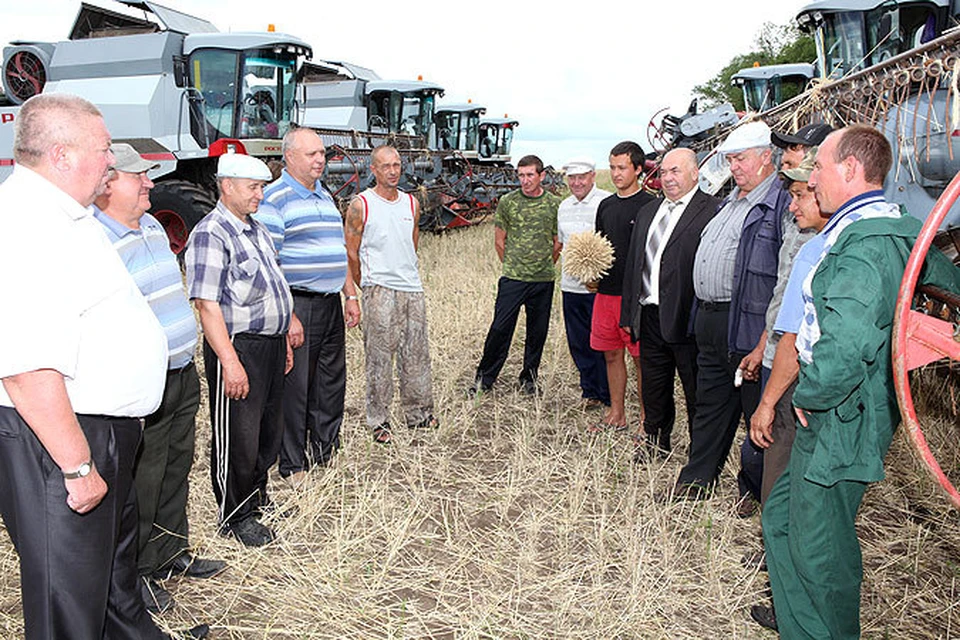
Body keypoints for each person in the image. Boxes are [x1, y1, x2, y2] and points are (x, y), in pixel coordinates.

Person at [0, 94, 206, 639]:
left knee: (111, 578)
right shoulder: (26, 223)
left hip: (101, 429)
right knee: (67, 593)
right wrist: (75, 466)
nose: (111, 164)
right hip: (59, 436)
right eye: (103, 151)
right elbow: (25, 368)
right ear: (62, 155)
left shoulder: (65, 214)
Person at [761, 124, 960, 639]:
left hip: (839, 412)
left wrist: (810, 391)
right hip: (848, 405)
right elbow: (944, 280)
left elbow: (844, 346)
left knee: (818, 547)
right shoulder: (896, 227)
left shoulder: (862, 245)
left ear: (850, 169)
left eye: (821, 167)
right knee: (784, 518)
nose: (813, 178)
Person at [94, 144, 227, 614]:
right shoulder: (96, 240)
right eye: (138, 177)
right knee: (144, 477)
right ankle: (140, 573)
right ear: (108, 182)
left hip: (181, 370)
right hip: (141, 381)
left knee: (176, 463)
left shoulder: (149, 224)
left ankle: (173, 553)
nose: (150, 182)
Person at [676, 121, 789, 501]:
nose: (734, 167)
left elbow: (781, 281)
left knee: (755, 411)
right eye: (730, 160)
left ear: (766, 158)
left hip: (748, 326)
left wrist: (763, 341)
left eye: (740, 159)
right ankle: (695, 483)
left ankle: (755, 493)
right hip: (710, 321)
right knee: (710, 406)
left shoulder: (780, 205)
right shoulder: (730, 202)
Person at [185, 152, 294, 547]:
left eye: (263, 187)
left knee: (267, 429)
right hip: (237, 348)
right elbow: (207, 305)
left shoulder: (257, 230)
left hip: (269, 344)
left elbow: (275, 283)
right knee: (238, 434)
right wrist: (230, 363)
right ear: (227, 185)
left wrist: (285, 333)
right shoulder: (211, 233)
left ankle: (258, 500)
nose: (260, 195)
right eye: (253, 188)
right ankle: (235, 514)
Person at [256, 128, 361, 484]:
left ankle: (324, 452)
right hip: (298, 304)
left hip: (331, 303)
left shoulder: (325, 195)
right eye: (311, 154)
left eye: (322, 154)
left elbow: (337, 251)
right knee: (296, 387)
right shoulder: (274, 198)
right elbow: (268, 264)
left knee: (330, 383)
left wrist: (349, 293)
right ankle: (292, 464)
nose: (320, 160)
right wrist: (287, 316)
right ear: (288, 157)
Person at [621, 148, 720, 457]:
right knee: (653, 385)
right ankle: (655, 442)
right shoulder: (651, 211)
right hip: (649, 315)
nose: (668, 178)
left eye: (675, 171)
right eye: (663, 172)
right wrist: (629, 312)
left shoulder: (712, 210)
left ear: (695, 173)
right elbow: (634, 263)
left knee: (695, 388)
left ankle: (699, 453)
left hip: (687, 318)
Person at [345, 145, 437, 445]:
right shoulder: (361, 205)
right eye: (386, 166)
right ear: (373, 170)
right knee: (379, 359)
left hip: (412, 289)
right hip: (379, 290)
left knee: (416, 355)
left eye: (397, 165)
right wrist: (366, 288)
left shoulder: (411, 204)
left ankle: (419, 414)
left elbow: (412, 246)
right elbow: (351, 253)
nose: (393, 171)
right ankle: (379, 420)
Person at [470, 154, 562, 396]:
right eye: (521, 175)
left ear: (541, 176)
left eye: (530, 175)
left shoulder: (553, 204)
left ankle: (529, 379)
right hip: (513, 278)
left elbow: (556, 243)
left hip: (542, 280)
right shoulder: (508, 202)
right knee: (500, 328)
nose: (525, 180)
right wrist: (513, 266)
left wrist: (542, 265)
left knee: (537, 331)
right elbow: (499, 241)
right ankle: (484, 379)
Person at [591, 141, 655, 431]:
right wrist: (591, 273)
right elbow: (598, 247)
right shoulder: (605, 206)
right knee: (611, 354)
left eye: (622, 168)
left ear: (638, 169)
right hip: (606, 295)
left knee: (642, 361)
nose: (616, 173)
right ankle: (617, 415)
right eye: (613, 167)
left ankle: (646, 419)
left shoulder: (652, 206)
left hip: (637, 299)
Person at [557, 156, 611, 409]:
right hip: (570, 286)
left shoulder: (606, 203)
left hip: (598, 288)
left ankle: (608, 392)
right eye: (572, 178)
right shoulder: (564, 206)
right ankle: (590, 390)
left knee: (602, 341)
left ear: (592, 177)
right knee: (578, 341)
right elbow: (561, 242)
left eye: (582, 177)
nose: (577, 183)